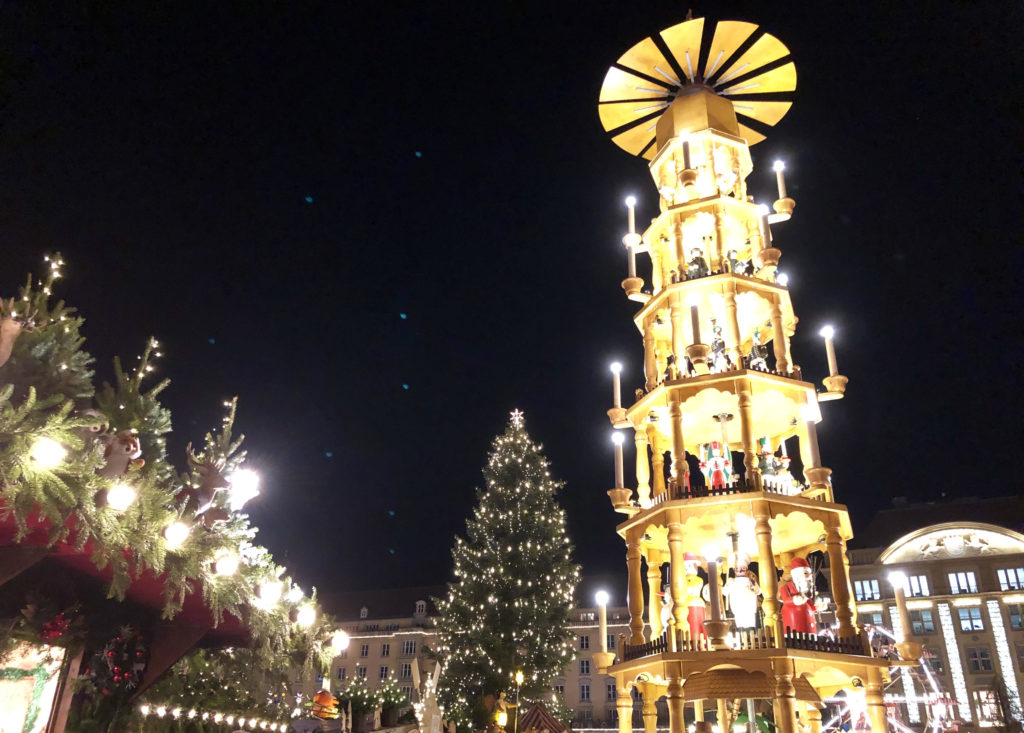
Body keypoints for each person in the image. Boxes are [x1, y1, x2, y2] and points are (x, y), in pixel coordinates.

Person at [779, 557, 817, 633]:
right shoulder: (786, 587)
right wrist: (795, 599)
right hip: (794, 623)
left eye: (810, 574)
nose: (809, 577)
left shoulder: (806, 590)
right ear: (796, 575)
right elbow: (786, 600)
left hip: (810, 627)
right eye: (805, 573)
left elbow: (809, 604)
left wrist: (816, 607)